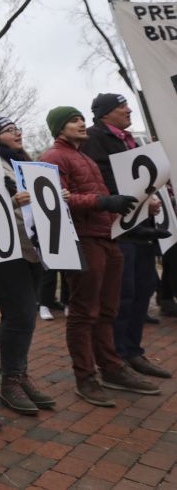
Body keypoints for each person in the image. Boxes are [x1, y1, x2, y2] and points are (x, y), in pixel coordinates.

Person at [39, 107, 158, 406]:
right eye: (73, 120)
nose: (81, 123)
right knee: (84, 312)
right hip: (83, 240)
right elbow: (55, 200)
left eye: (81, 118)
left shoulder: (85, 157)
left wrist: (131, 230)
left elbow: (103, 204)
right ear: (58, 128)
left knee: (107, 310)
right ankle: (85, 377)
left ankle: (112, 368)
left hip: (106, 239)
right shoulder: (53, 157)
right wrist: (103, 201)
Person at [80, 93, 170, 379]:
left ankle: (133, 350)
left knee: (144, 286)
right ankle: (115, 355)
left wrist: (149, 198)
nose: (129, 111)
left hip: (139, 224)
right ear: (106, 114)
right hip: (117, 227)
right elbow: (104, 179)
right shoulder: (94, 138)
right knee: (123, 293)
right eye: (122, 108)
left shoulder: (130, 140)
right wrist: (139, 197)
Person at [0, 112, 56, 415]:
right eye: (9, 130)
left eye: (17, 128)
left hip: (34, 247)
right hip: (7, 249)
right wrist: (14, 201)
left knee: (26, 315)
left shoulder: (22, 162)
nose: (17, 133)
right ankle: (9, 382)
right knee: (18, 313)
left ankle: (21, 375)